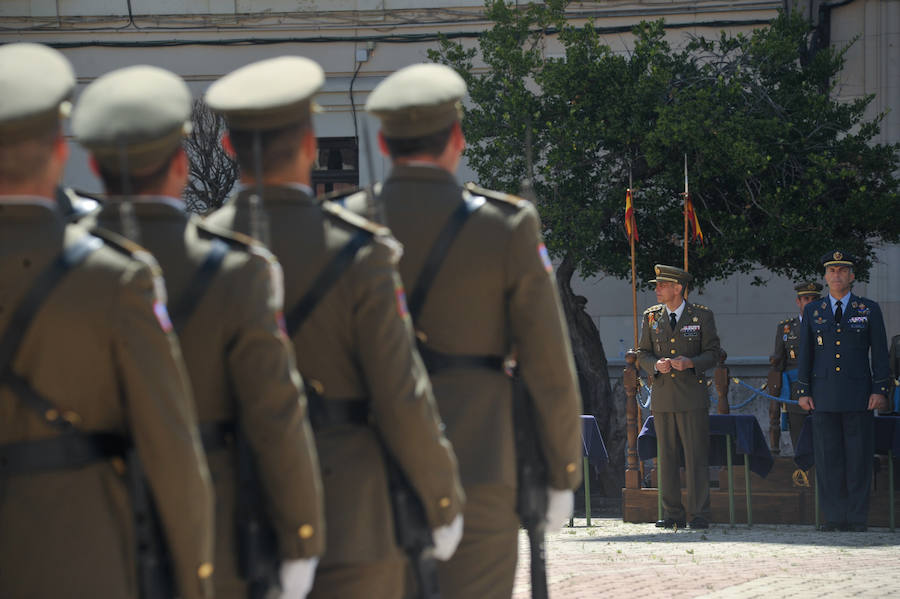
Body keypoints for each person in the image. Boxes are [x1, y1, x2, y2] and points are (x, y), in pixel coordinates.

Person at [203, 56, 465, 599]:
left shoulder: (196, 255)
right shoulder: (359, 251)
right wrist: (441, 501)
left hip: (233, 510)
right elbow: (400, 394)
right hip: (352, 513)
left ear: (228, 149)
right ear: (309, 144)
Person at [71, 64, 326, 598]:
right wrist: (301, 536)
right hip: (222, 523)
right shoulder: (237, 269)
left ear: (92, 164)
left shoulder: (62, 266)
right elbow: (276, 416)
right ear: (181, 165)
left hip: (79, 529)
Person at [360, 63, 583, 599]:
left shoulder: (347, 223)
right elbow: (549, 367)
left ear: (385, 144)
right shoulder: (504, 226)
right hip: (480, 461)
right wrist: (563, 472)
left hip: (367, 466)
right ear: (458, 139)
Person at [0, 43, 214, 599]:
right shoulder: (116, 278)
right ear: (58, 152)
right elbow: (170, 451)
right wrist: (194, 578)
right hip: (82, 554)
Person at [795, 251, 891, 531]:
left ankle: (856, 517)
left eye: (842, 271)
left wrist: (880, 388)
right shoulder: (814, 311)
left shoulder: (868, 309)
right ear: (825, 277)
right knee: (828, 458)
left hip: (859, 394)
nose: (836, 275)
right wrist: (803, 390)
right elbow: (805, 354)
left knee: (858, 458)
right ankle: (834, 516)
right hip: (823, 394)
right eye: (831, 271)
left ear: (851, 276)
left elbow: (880, 354)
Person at [637, 264, 721, 530]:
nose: (657, 289)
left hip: (691, 396)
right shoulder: (651, 317)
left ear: (678, 288)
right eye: (657, 285)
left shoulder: (701, 316)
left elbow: (713, 353)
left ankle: (699, 514)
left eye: (662, 285)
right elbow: (642, 353)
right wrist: (654, 365)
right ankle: (671, 513)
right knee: (666, 457)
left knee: (696, 456)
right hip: (663, 397)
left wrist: (691, 362)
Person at [767, 281, 822, 451]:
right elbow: (779, 362)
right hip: (796, 391)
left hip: (822, 388)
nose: (810, 302)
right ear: (798, 302)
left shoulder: (827, 325)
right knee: (799, 441)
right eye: (806, 299)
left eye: (814, 299)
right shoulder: (785, 328)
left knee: (824, 443)